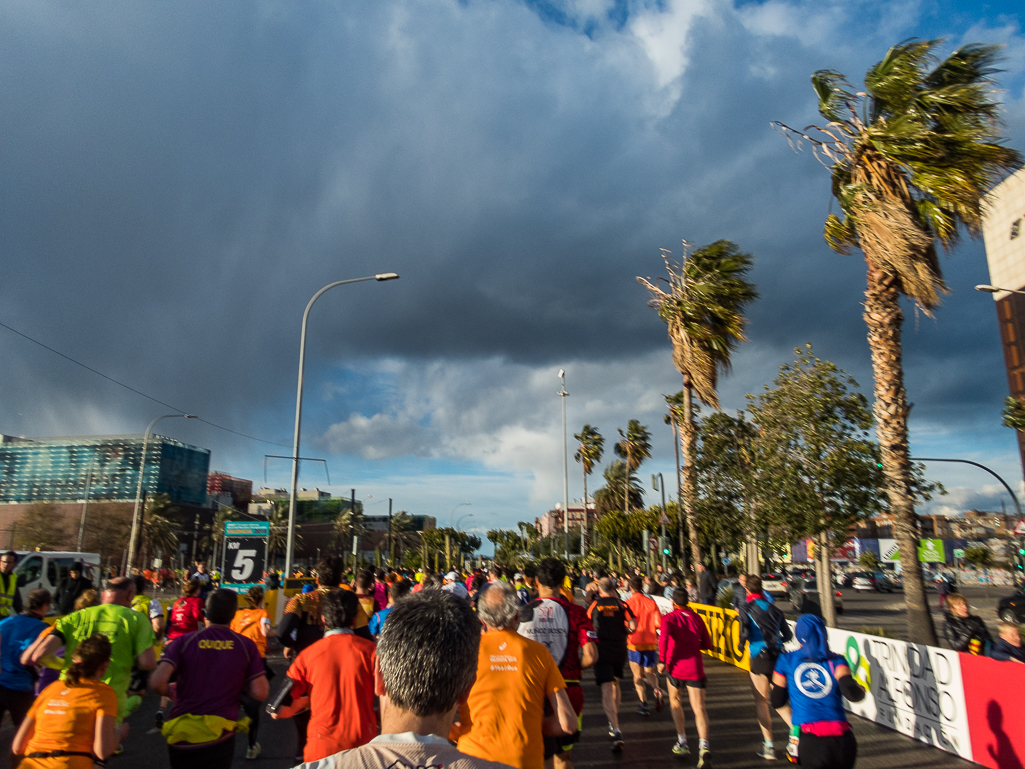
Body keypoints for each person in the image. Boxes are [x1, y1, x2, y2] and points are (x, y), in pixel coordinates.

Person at [456, 581, 577, 769]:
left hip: (472, 757)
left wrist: (457, 732)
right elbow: (567, 723)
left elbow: (436, 712)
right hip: (524, 760)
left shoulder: (465, 652)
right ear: (516, 616)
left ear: (482, 618)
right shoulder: (539, 653)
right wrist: (534, 724)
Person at [149, 588, 268, 769]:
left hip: (182, 733)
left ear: (205, 614)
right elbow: (260, 692)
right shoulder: (245, 646)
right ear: (233, 615)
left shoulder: (184, 641)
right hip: (219, 733)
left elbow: (157, 682)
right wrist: (238, 686)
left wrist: (172, 691)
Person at [271, 589, 378, 763]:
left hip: (320, 751)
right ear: (354, 618)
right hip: (363, 749)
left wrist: (307, 701)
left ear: (323, 619)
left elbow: (277, 709)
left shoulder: (306, 657)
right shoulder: (372, 653)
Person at [29, 577, 156, 722]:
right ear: (130, 594)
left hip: (68, 696)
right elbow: (148, 663)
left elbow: (39, 656)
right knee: (105, 742)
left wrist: (67, 665)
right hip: (108, 701)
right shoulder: (136, 619)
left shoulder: (74, 617)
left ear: (103, 594)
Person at [517, 558, 597, 769]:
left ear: (536, 581)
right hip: (568, 688)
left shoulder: (522, 613)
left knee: (531, 755)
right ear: (563, 581)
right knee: (563, 757)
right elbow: (591, 654)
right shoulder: (577, 612)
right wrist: (577, 666)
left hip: (530, 689)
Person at [13, 634, 127, 769]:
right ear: (104, 665)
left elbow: (17, 747)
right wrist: (119, 733)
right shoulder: (103, 693)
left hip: (30, 764)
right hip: (69, 763)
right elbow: (102, 751)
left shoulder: (50, 689)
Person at [771, 615, 865, 769]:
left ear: (799, 635)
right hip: (843, 740)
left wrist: (795, 725)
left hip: (810, 741)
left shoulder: (786, 660)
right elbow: (852, 694)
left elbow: (777, 700)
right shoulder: (837, 661)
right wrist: (861, 690)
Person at [738, 574, 792, 760]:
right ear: (762, 589)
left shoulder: (745, 607)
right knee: (781, 701)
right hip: (778, 656)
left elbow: (744, 632)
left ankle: (769, 746)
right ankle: (798, 738)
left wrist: (739, 647)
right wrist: (775, 642)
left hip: (759, 657)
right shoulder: (776, 610)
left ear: (747, 591)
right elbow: (788, 635)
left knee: (761, 701)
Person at [658, 587, 712, 765]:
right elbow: (707, 643)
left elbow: (663, 639)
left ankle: (682, 741)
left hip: (675, 668)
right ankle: (704, 746)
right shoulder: (697, 618)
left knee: (675, 702)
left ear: (673, 602)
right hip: (695, 668)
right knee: (699, 708)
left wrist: (662, 660)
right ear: (687, 601)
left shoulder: (669, 618)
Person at [587, 577, 636, 752]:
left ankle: (615, 728)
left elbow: (586, 625)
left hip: (603, 648)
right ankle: (614, 719)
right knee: (615, 682)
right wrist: (626, 631)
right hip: (620, 648)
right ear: (614, 588)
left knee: (607, 688)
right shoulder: (621, 604)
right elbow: (633, 624)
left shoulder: (595, 605)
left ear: (600, 589)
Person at [230, 585, 273, 759]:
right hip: (257, 658)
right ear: (260, 599)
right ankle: (251, 746)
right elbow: (265, 631)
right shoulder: (263, 613)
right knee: (254, 704)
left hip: (237, 658)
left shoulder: (237, 615)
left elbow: (230, 633)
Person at [0, 589, 51, 729]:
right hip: (21, 689)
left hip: (1, 682)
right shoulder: (42, 629)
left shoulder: (5, 622)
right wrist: (38, 678)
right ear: (44, 607)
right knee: (25, 735)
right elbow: (31, 661)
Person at [624, 574, 664, 716]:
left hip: (634, 643)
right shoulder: (651, 603)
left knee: (638, 676)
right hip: (650, 642)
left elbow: (626, 624)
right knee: (650, 672)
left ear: (630, 587)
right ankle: (656, 689)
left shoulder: (627, 604)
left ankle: (644, 704)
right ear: (642, 587)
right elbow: (658, 623)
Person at [0, 551, 24, 619]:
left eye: (9, 562)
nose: (6, 564)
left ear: (14, 564)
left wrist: (22, 613)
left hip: (3, 616)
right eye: (4, 562)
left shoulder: (13, 578)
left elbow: (16, 600)